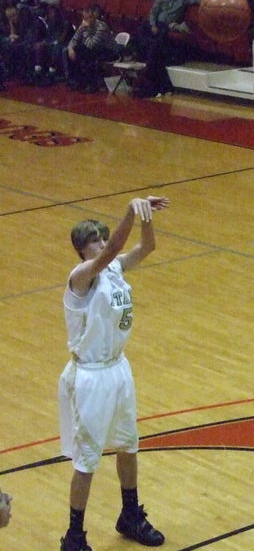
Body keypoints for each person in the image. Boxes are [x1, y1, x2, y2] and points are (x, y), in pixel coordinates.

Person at [59, 196, 169, 551]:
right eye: (96, 240)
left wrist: (146, 216)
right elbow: (117, 248)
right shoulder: (80, 277)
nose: (103, 244)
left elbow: (147, 245)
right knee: (88, 460)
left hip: (118, 368)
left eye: (104, 238)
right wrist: (129, 211)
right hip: (90, 375)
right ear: (82, 249)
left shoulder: (115, 269)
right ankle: (74, 537)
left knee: (128, 444)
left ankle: (130, 514)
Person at [136, 0, 201, 96]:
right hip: (155, 25)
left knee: (156, 45)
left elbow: (197, 0)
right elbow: (153, 14)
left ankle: (150, 63)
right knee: (141, 29)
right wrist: (153, 25)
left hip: (165, 26)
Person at [66, 5, 116, 93]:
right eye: (85, 18)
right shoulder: (83, 25)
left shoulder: (101, 27)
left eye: (90, 17)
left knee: (86, 53)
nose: (88, 20)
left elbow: (92, 45)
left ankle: (91, 84)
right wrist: (70, 48)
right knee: (73, 51)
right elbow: (74, 39)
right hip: (95, 50)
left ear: (94, 17)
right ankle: (76, 80)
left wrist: (86, 30)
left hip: (109, 51)